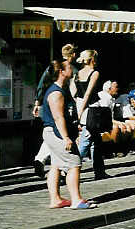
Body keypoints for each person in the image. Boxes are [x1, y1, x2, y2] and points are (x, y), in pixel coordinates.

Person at [40, 60, 95, 209]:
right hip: (57, 133)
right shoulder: (56, 93)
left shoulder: (62, 89)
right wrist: (65, 137)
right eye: (69, 67)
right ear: (61, 72)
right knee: (74, 163)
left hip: (53, 132)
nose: (73, 70)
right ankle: (76, 200)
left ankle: (55, 199)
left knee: (56, 165)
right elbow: (58, 117)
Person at [31, 43, 78, 178]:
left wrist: (37, 102)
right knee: (56, 130)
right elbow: (42, 84)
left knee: (53, 132)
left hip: (52, 101)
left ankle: (42, 160)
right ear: (73, 54)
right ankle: (61, 168)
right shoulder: (63, 68)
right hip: (55, 102)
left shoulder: (60, 68)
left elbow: (41, 84)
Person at [74, 50, 103, 178]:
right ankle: (70, 168)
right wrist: (80, 111)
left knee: (96, 140)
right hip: (91, 108)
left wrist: (77, 108)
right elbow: (88, 93)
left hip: (80, 105)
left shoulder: (77, 74)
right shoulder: (94, 73)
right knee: (87, 139)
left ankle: (99, 170)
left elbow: (74, 93)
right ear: (93, 59)